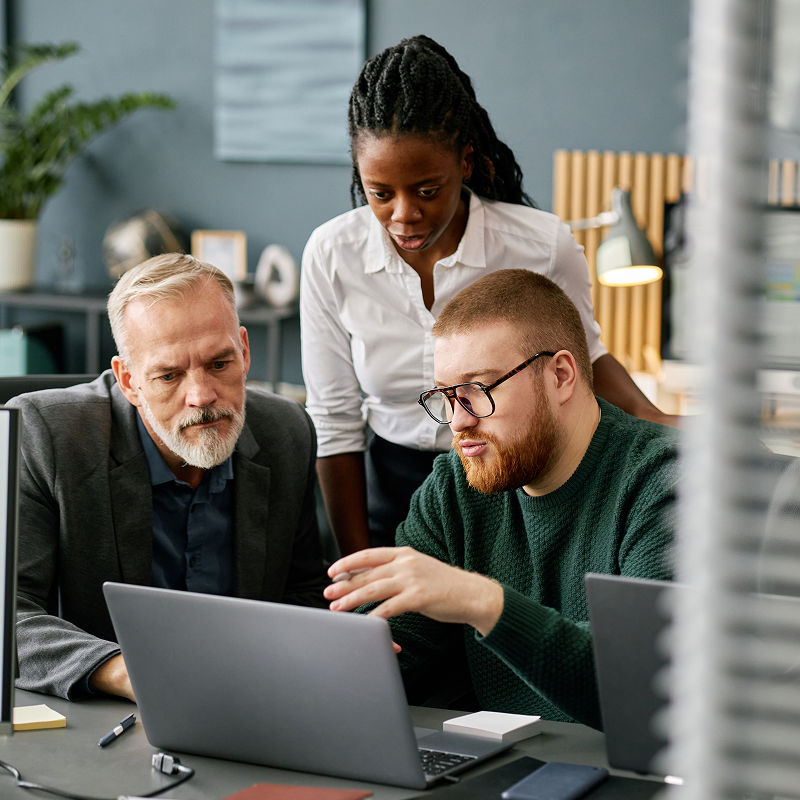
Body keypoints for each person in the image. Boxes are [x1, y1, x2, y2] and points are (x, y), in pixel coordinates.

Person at [300, 34, 677, 556]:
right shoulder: (331, 254)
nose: (404, 215)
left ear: (467, 162)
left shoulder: (540, 246)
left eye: (427, 190)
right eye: (380, 194)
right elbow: (335, 421)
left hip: (510, 486)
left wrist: (661, 424)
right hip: (388, 486)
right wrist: (357, 568)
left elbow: (583, 363)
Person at [323, 269, 679, 729]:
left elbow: (642, 688)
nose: (457, 422)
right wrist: (341, 661)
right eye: (447, 396)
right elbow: (392, 652)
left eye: (478, 390)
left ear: (561, 375)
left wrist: (483, 602)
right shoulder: (455, 485)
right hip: (502, 768)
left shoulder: (666, 481)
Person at [11, 253, 328, 701]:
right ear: (128, 380)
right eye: (168, 375)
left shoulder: (287, 431)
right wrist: (131, 673)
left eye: (219, 364)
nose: (201, 396)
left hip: (250, 700)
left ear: (244, 349)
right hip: (103, 719)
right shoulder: (46, 434)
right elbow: (10, 614)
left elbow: (305, 592)